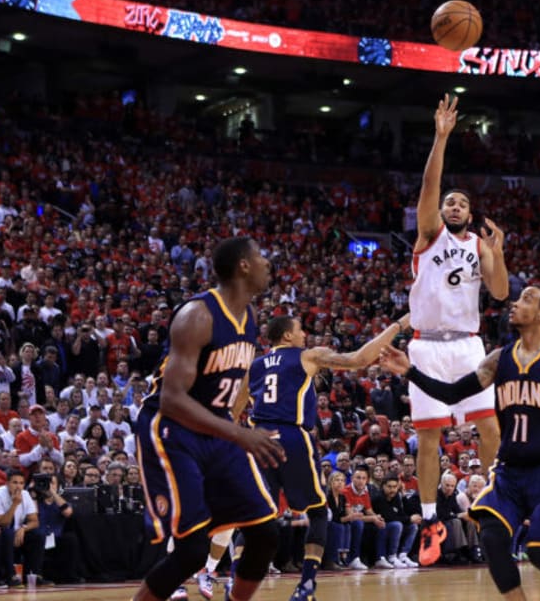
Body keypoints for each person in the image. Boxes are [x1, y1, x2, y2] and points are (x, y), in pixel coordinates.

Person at [381, 285, 540, 600]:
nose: (515, 303)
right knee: (491, 535)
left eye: (526, 300)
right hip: (509, 470)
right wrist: (410, 371)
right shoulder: (499, 359)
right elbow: (452, 394)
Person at [133, 237, 286, 601]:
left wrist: (240, 429)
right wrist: (240, 434)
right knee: (191, 552)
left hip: (215, 426)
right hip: (171, 428)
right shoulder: (197, 316)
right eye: (261, 256)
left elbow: (235, 379)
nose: (268, 263)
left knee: (266, 533)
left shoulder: (249, 317)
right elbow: (172, 399)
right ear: (243, 266)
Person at [407, 94, 509, 565]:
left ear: (471, 213)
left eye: (461, 202)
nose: (452, 205)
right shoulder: (430, 236)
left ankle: (491, 504)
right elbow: (430, 185)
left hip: (469, 346)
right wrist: (441, 137)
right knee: (430, 438)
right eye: (449, 201)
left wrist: (500, 251)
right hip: (427, 347)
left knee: (489, 428)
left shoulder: (480, 246)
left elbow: (502, 293)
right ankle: (430, 519)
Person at [246, 313, 409, 600]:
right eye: (299, 329)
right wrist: (398, 326)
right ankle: (306, 585)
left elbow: (234, 411)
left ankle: (236, 578)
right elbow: (358, 359)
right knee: (319, 512)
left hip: (257, 439)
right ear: (286, 336)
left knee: (257, 515)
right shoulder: (306, 356)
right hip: (291, 437)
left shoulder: (255, 366)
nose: (304, 334)